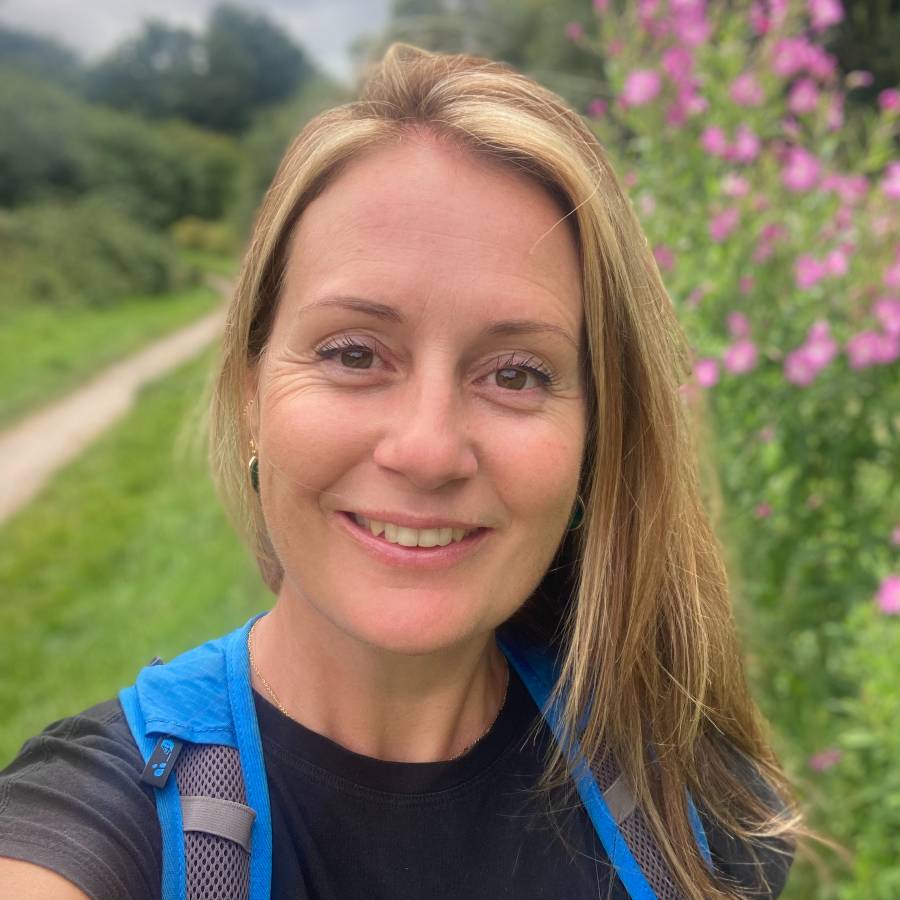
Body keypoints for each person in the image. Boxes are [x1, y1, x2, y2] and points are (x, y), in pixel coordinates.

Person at [0, 44, 803, 899]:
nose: (426, 450)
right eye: (354, 354)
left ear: (595, 443)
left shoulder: (690, 810)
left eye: (516, 373)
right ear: (251, 394)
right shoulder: (97, 828)